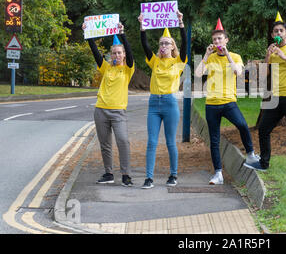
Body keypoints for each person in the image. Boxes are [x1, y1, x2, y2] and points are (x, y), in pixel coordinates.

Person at [195, 19, 260, 185]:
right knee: (214, 140)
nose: (217, 42)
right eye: (215, 39)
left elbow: (238, 72)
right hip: (212, 104)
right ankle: (218, 174)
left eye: (220, 39)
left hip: (229, 102)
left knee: (243, 125)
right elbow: (197, 74)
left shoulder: (236, 56)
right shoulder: (209, 58)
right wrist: (206, 55)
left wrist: (228, 54)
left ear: (226, 40)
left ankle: (251, 155)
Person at [244, 12, 286, 175]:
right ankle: (264, 163)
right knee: (264, 129)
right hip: (275, 97)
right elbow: (264, 75)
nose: (278, 33)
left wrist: (284, 56)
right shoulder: (272, 52)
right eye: (275, 31)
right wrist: (268, 55)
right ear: (272, 35)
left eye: (281, 31)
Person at [83, 22, 135, 187]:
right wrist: (88, 34)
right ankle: (108, 173)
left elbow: (131, 53)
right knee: (105, 144)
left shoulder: (127, 69)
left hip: (118, 112)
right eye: (114, 53)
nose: (117, 55)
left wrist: (122, 34)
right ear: (110, 55)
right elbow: (95, 52)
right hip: (101, 111)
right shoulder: (106, 67)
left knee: (123, 140)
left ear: (124, 55)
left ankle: (126, 175)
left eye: (119, 53)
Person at [138, 11, 187, 189]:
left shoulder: (178, 62)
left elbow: (186, 45)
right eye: (161, 43)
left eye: (167, 43)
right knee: (151, 141)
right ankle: (149, 178)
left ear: (173, 46)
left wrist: (181, 24)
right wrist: (142, 27)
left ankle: (173, 175)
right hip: (153, 104)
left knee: (170, 141)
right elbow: (144, 45)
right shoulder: (154, 61)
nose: (164, 46)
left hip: (169, 103)